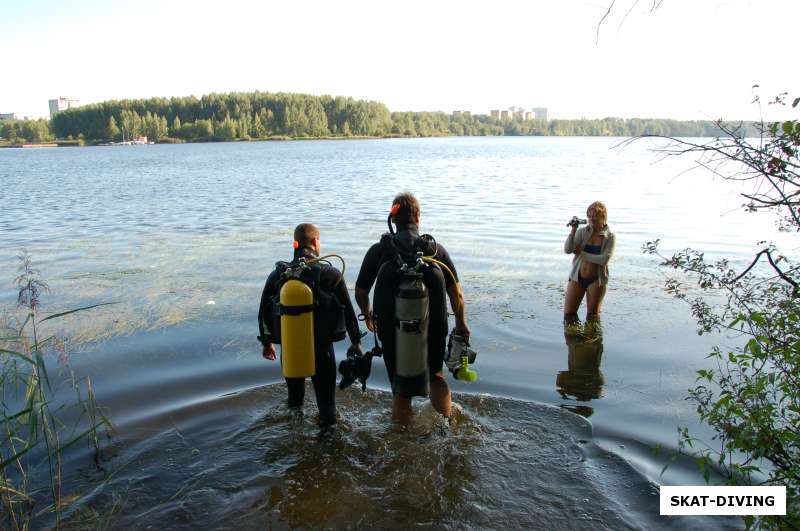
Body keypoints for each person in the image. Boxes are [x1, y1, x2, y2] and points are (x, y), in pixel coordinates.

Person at [355, 193, 471, 425]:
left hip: (391, 326)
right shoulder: (436, 251)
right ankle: (445, 426)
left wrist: (368, 314)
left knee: (400, 387)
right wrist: (461, 324)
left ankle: (401, 443)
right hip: (434, 324)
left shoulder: (379, 250)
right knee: (436, 376)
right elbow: (456, 294)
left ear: (393, 217)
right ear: (418, 216)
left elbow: (360, 291)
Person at [258, 223, 362, 428]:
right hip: (322, 351)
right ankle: (328, 443)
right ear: (315, 242)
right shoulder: (330, 273)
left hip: (290, 350)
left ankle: (294, 437)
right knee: (327, 407)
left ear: (294, 244)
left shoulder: (279, 274)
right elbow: (349, 311)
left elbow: (262, 312)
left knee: (294, 403)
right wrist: (356, 342)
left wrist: (267, 343)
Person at [563, 201, 616, 320]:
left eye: (595, 216)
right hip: (577, 277)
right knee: (569, 315)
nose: (592, 219)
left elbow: (604, 259)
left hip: (596, 280)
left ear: (603, 217)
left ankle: (593, 338)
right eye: (590, 216)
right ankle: (572, 338)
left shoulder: (610, 236)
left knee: (593, 317)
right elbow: (568, 250)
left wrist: (581, 253)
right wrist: (573, 231)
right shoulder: (582, 231)